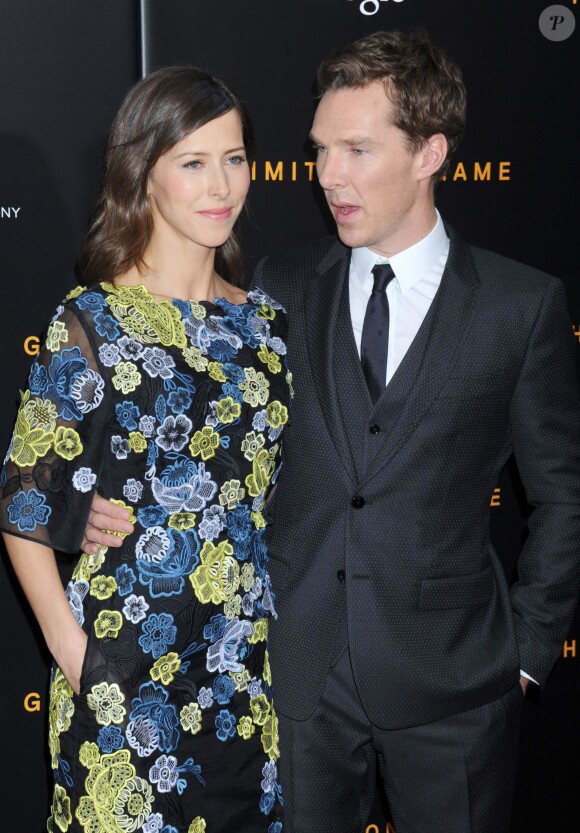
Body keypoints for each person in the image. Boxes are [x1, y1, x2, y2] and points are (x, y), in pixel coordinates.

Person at [82, 31, 580, 833]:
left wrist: (527, 655)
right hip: (294, 676)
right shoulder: (278, 284)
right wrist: (102, 504)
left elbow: (564, 496)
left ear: (431, 153)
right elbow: (199, 432)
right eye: (320, 150)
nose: (329, 176)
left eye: (356, 148)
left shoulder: (519, 307)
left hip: (457, 682)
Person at [0, 66, 288, 833]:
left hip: (242, 682)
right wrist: (76, 656)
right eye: (192, 162)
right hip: (122, 676)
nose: (220, 184)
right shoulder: (93, 320)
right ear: (144, 175)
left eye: (233, 158)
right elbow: (25, 501)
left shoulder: (266, 327)